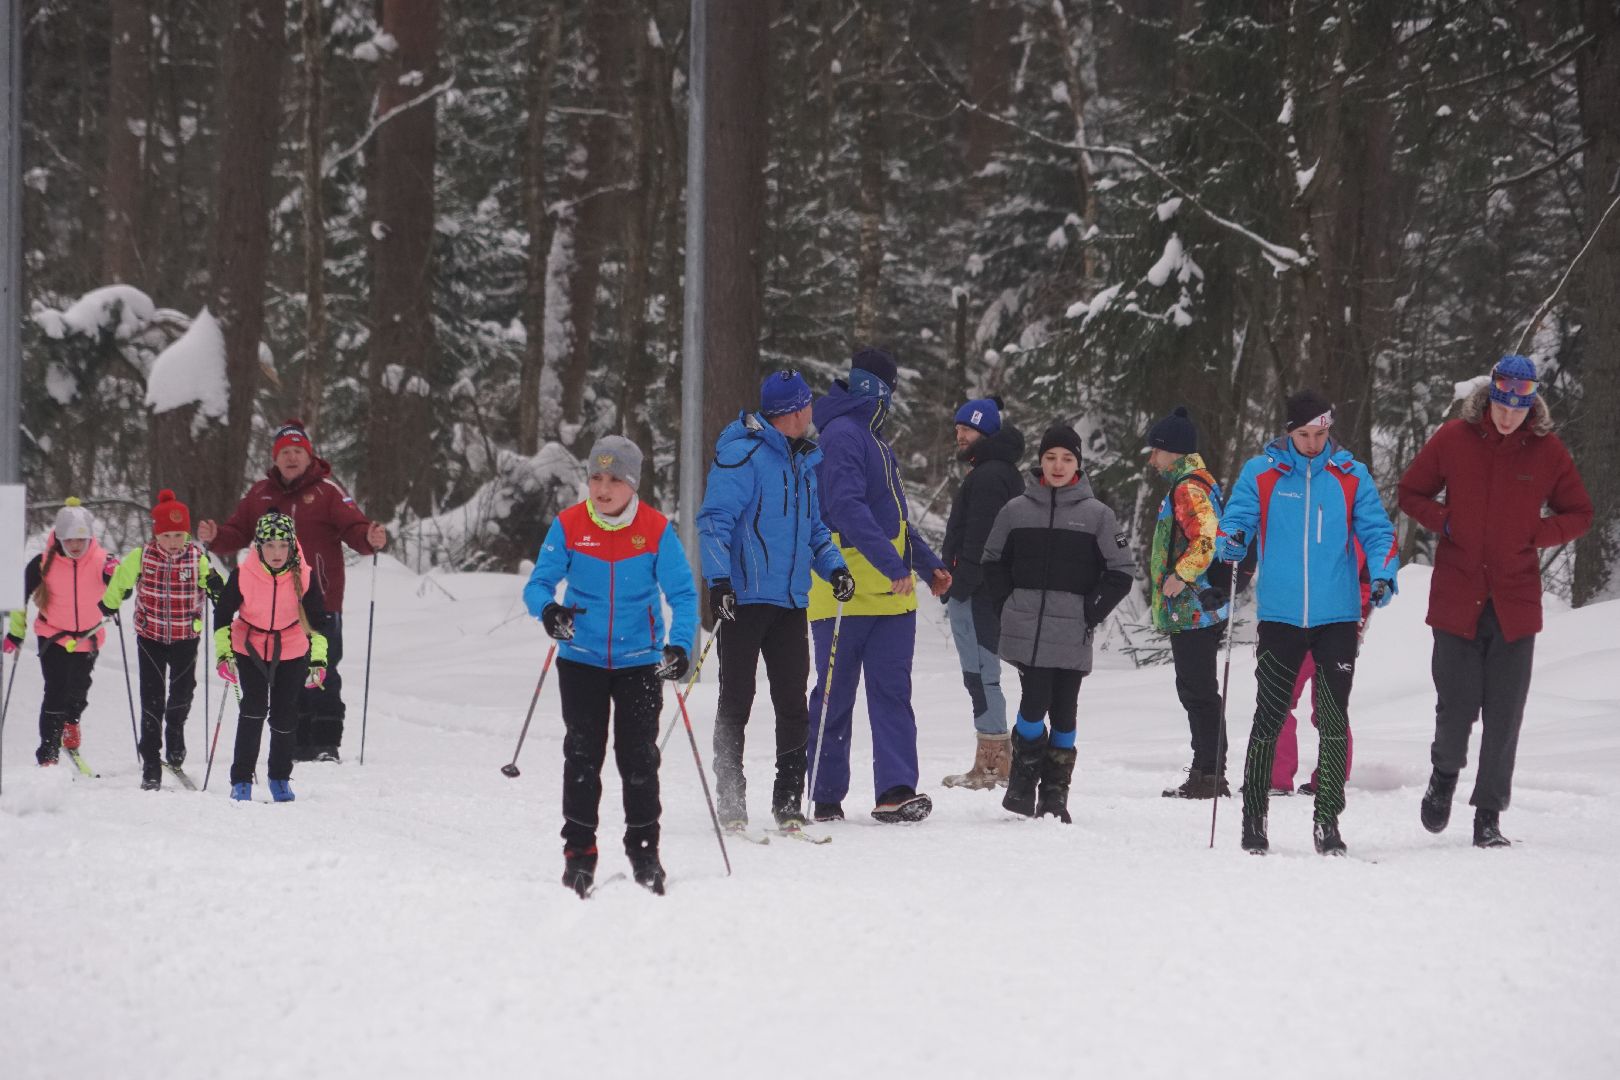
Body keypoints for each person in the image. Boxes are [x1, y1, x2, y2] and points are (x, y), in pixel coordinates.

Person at [1397, 355, 1592, 848]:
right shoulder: (1453, 439)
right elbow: (1411, 492)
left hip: (1515, 603)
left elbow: (1580, 513)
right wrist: (1444, 522)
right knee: (1457, 709)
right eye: (1502, 406)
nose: (1508, 417)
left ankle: (1488, 815)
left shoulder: (1547, 452)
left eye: (1518, 409)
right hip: (1457, 598)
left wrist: (1537, 533)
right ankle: (1444, 777)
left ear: (1531, 406)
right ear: (1491, 397)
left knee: (1505, 715)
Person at [1217, 389, 1400, 856]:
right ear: (1288, 432)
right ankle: (1254, 816)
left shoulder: (1350, 476)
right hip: (1280, 615)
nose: (1314, 443)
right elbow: (1235, 519)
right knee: (1270, 718)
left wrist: (1382, 572)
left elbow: (1377, 531)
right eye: (1304, 434)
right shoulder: (1262, 473)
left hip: (1337, 616)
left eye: (1321, 434)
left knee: (1334, 720)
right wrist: (1233, 539)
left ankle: (1327, 821)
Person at [523, 435, 698, 897]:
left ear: (632, 483)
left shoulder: (656, 529)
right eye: (595, 477)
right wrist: (549, 611)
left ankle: (644, 853)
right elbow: (538, 583)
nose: (602, 489)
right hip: (580, 660)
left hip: (640, 662)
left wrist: (679, 646)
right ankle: (578, 856)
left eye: (614, 479)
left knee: (638, 758)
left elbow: (682, 595)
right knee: (582, 756)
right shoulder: (569, 525)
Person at [696, 371, 853, 833]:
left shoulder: (803, 459)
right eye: (807, 408)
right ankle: (730, 795)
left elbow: (815, 530)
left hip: (789, 601)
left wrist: (835, 567)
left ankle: (787, 800)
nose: (811, 416)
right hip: (743, 600)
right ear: (795, 411)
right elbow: (714, 521)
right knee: (737, 698)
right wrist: (719, 581)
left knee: (791, 700)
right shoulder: (742, 454)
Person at [806, 347, 951, 824]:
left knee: (892, 693)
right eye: (891, 389)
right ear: (879, 389)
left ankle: (895, 790)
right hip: (842, 589)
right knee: (835, 693)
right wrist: (893, 564)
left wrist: (928, 566)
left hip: (892, 596)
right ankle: (826, 795)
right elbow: (845, 507)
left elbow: (896, 522)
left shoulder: (874, 439)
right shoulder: (842, 436)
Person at [197, 419, 386, 763]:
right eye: (285, 452)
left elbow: (356, 528)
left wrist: (369, 539)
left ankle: (326, 742)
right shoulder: (259, 494)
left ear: (309, 455)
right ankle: (296, 741)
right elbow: (235, 533)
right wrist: (214, 537)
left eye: (298, 451)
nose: (292, 457)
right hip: (272, 604)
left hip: (321, 598)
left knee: (323, 665)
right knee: (288, 670)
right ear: (276, 458)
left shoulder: (328, 491)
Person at [981, 424, 1136, 822]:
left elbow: (1120, 571)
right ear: (1040, 462)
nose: (1058, 465)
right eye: (1051, 457)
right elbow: (992, 561)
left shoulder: (1097, 515)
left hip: (1071, 631)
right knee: (1033, 706)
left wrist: (1090, 611)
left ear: (1079, 465)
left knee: (1065, 712)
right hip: (1026, 631)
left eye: (1067, 458)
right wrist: (1007, 605)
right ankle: (1022, 784)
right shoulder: (1015, 511)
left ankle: (1055, 796)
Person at [100, 489, 224, 790]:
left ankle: (176, 732)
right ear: (157, 534)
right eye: (167, 535)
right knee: (152, 699)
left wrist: (218, 590)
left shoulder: (198, 559)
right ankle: (152, 762)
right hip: (150, 636)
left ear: (187, 534)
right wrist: (110, 602)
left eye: (179, 535)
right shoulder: (142, 556)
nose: (173, 542)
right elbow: (121, 580)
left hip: (185, 637)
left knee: (181, 696)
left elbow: (213, 583)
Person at [1142, 406, 1232, 800]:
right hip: (1195, 608)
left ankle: (1210, 774)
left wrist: (1182, 575)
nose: (1152, 459)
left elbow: (1208, 538)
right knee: (1196, 689)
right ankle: (1206, 770)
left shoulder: (1188, 488)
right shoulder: (1193, 483)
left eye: (1156, 451)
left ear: (1174, 451)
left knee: (1198, 691)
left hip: (1195, 607)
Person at [212, 512, 329, 803]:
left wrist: (318, 661)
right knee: (253, 711)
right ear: (258, 546)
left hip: (290, 646)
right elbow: (223, 614)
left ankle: (279, 777)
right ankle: (241, 780)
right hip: (249, 644)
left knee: (285, 716)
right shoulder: (244, 573)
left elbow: (317, 622)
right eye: (269, 545)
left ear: (292, 546)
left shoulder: (305, 574)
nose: (276, 553)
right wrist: (223, 654)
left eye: (282, 546)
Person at [939, 396, 1025, 790]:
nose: (960, 436)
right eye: (957, 429)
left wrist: (961, 585)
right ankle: (998, 759)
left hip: (977, 593)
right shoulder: (997, 471)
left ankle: (993, 767)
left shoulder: (989, 476)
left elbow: (980, 539)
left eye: (968, 430)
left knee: (980, 672)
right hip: (985, 591)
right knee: (983, 671)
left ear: (986, 433)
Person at [5, 499, 118, 767]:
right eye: (69, 540)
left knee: (79, 689)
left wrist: (116, 578)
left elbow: (121, 593)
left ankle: (72, 722)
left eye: (81, 540)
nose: (75, 546)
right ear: (58, 538)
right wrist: (16, 633)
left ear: (90, 538)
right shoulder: (43, 563)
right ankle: (48, 753)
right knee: (56, 690)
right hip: (52, 636)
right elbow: (18, 597)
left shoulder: (103, 561)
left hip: (89, 636)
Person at [1270, 551, 1371, 796]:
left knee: (1279, 698)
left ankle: (1276, 778)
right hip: (1343, 627)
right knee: (1330, 705)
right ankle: (1331, 779)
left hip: (1305, 624)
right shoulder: (1363, 533)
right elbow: (1368, 585)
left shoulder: (1312, 529)